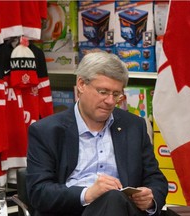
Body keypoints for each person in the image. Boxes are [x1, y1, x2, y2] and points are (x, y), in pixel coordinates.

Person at [26, 51, 168, 216]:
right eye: (103, 92)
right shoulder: (47, 131)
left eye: (116, 94)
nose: (109, 101)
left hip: (123, 210)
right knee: (112, 198)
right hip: (70, 211)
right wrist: (87, 194)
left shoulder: (134, 126)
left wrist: (150, 199)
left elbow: (156, 179)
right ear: (81, 84)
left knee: (114, 198)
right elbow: (38, 192)